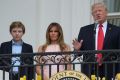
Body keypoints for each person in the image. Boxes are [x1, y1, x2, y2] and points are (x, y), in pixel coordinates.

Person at [73, 2, 120, 79]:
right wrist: (77, 49)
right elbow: (78, 54)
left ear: (106, 12)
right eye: (95, 12)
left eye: (100, 10)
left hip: (110, 69)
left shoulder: (117, 30)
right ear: (92, 15)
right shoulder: (84, 30)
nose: (97, 13)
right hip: (90, 69)